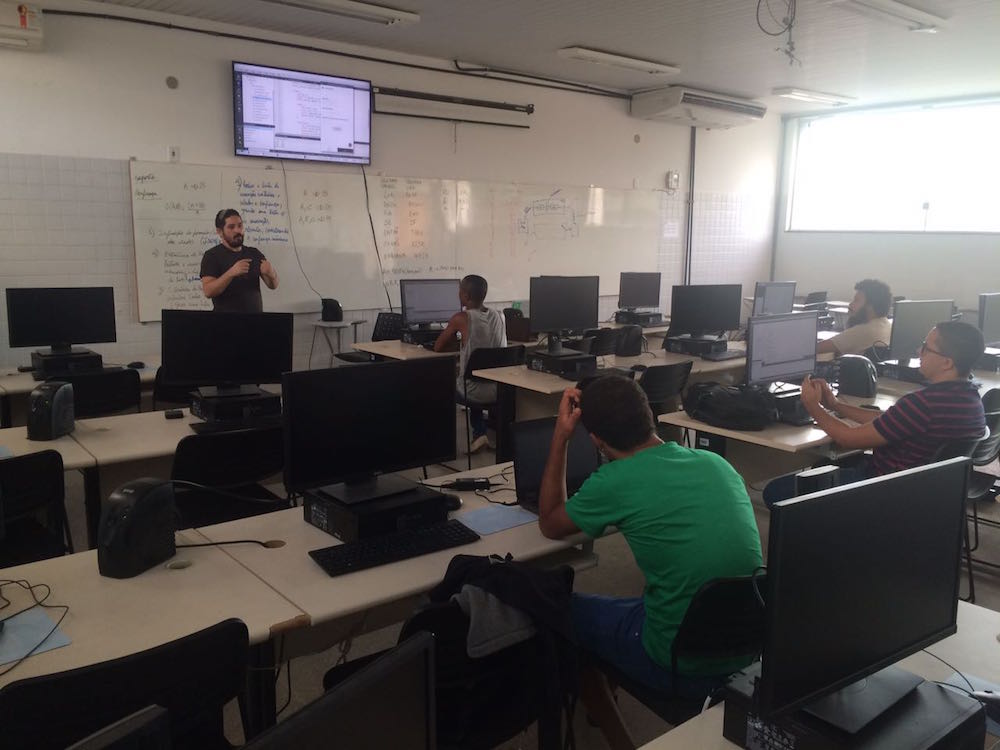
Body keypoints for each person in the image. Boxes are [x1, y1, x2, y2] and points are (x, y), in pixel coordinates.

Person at [537, 375, 762, 750]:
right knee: (633, 602)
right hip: (746, 650)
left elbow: (549, 521)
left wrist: (561, 436)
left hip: (678, 660)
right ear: (649, 416)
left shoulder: (614, 480)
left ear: (597, 440)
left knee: (564, 610)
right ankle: (609, 681)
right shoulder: (716, 463)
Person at [766, 320, 987, 505]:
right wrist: (835, 405)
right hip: (925, 493)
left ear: (947, 363)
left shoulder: (923, 404)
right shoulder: (969, 397)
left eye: (926, 348)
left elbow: (848, 439)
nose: (919, 352)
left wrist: (813, 406)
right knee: (821, 468)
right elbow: (890, 420)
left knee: (776, 492)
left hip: (883, 490)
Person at [433, 274, 507, 453]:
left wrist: (457, 343)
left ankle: (440, 445)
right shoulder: (500, 316)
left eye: (460, 291)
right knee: (474, 374)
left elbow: (437, 346)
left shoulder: (461, 318)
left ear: (465, 296)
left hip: (473, 391)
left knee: (442, 382)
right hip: (500, 390)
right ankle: (480, 433)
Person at [200, 209, 278, 313]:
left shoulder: (254, 253)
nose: (237, 230)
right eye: (231, 227)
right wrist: (230, 273)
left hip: (255, 320)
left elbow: (273, 285)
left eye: (240, 225)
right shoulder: (212, 256)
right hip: (225, 321)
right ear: (220, 232)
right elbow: (208, 291)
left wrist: (271, 273)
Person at [817, 278, 892, 356]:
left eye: (856, 300)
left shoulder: (862, 331)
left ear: (870, 307)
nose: (850, 304)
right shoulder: (887, 324)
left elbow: (816, 348)